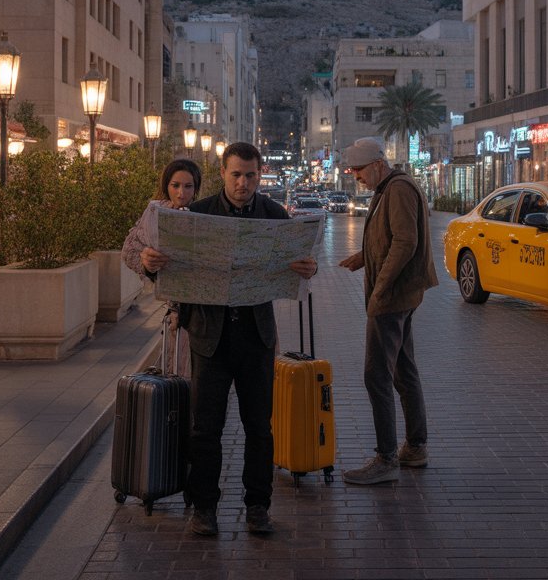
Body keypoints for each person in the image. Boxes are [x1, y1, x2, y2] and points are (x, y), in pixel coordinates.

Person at [144, 142, 317, 538]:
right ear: (222, 172)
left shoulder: (275, 216)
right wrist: (150, 264)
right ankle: (204, 508)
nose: (243, 183)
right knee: (205, 429)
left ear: (260, 175)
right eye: (236, 174)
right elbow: (166, 271)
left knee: (260, 427)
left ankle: (258, 507)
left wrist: (307, 268)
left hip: (256, 337)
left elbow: (298, 270)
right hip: (209, 337)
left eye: (251, 175)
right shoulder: (197, 214)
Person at [338, 136, 438, 485]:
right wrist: (363, 258)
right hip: (398, 295)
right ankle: (415, 446)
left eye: (359, 170)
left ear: (378, 164)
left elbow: (405, 241)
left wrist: (380, 286)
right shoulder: (390, 188)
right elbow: (389, 239)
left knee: (377, 374)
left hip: (392, 297)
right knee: (402, 370)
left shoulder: (397, 189)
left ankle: (386, 458)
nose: (357, 177)